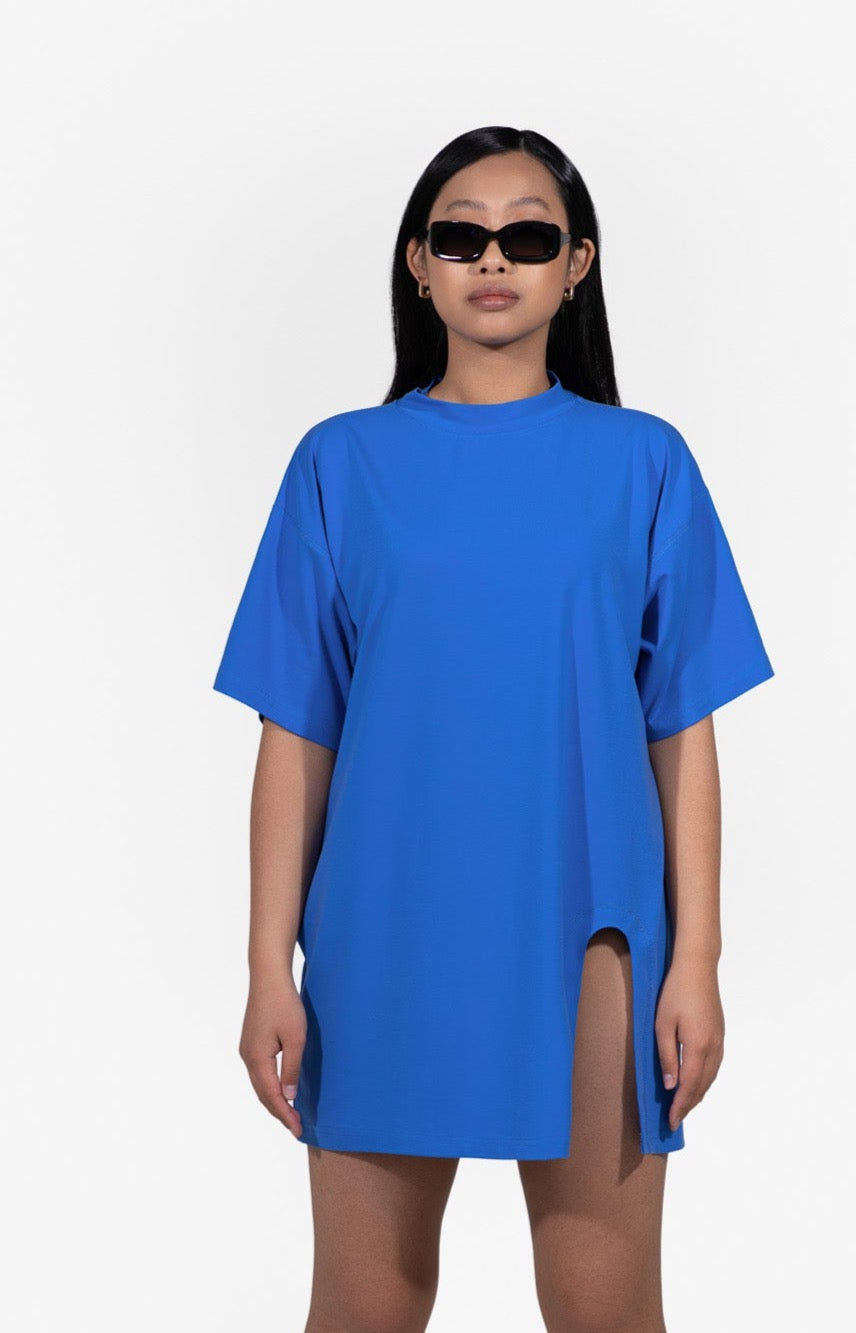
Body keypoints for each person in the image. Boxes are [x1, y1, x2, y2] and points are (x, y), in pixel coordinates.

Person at [212, 125, 775, 1333]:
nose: (494, 260)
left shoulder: (644, 463)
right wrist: (266, 966)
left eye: (527, 236)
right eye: (461, 236)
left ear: (576, 265)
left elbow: (681, 732)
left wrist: (698, 959)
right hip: (382, 928)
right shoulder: (340, 464)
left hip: (590, 927)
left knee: (604, 1307)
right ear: (418, 263)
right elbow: (295, 731)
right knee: (363, 1305)